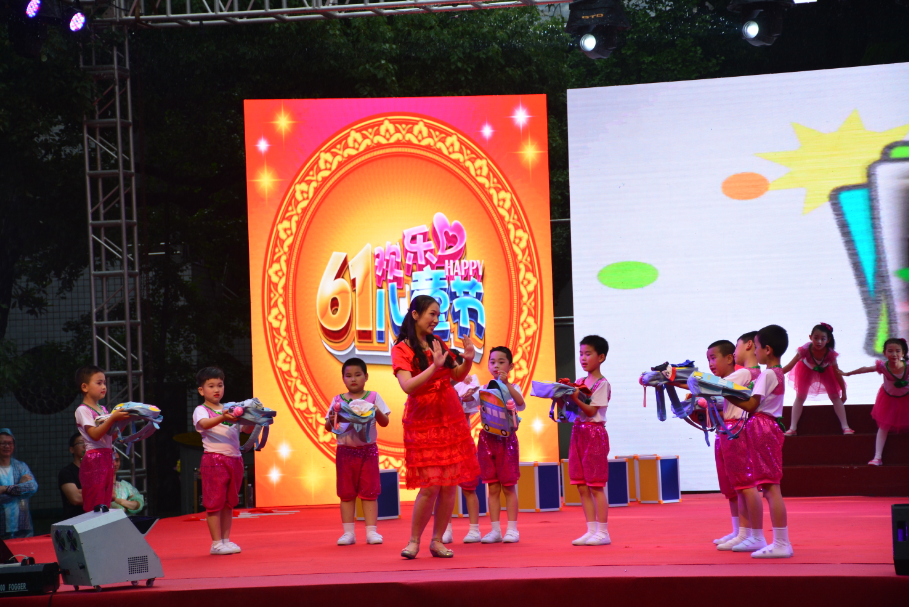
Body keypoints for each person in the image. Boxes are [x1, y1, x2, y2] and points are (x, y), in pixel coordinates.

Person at [392, 295, 480, 559]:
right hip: (423, 420)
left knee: (449, 484)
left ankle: (437, 541)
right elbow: (408, 386)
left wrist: (468, 360)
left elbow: (456, 375)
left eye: (438, 315)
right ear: (415, 314)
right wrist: (433, 368)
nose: (435, 319)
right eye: (431, 314)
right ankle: (414, 541)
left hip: (449, 417)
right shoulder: (401, 349)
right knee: (431, 485)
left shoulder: (437, 342)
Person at [724, 324, 793, 558]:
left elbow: (752, 405)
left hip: (763, 427)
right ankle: (779, 541)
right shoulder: (777, 373)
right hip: (768, 427)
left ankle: (781, 542)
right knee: (770, 487)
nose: (756, 352)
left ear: (767, 350)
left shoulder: (768, 374)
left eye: (758, 347)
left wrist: (725, 392)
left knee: (771, 488)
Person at [324, 358, 391, 546]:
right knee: (346, 493)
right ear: (343, 378)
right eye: (348, 376)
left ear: (366, 377)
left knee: (370, 492)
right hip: (345, 452)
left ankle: (371, 532)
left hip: (368, 452)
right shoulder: (338, 400)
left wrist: (376, 411)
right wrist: (333, 418)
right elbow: (329, 427)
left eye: (357, 375)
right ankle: (348, 533)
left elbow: (385, 422)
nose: (353, 379)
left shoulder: (374, 397)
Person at [193, 366, 254, 555]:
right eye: (211, 386)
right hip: (214, 460)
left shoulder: (231, 409)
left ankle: (226, 541)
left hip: (235, 460)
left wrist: (254, 418)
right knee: (214, 503)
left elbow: (246, 430)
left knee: (229, 503)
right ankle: (216, 543)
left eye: (220, 385)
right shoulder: (201, 410)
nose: (216, 390)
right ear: (201, 390)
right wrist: (223, 416)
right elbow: (204, 424)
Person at [705, 339, 759, 552]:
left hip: (736, 429)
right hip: (727, 430)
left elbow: (710, 385)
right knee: (733, 486)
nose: (710, 363)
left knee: (744, 484)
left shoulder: (744, 373)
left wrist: (677, 377)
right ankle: (740, 531)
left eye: (713, 358)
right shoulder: (741, 375)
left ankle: (749, 533)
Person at [477, 346, 525, 544]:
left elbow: (520, 403)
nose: (496, 365)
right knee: (493, 486)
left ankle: (512, 529)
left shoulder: (513, 387)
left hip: (507, 441)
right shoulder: (484, 388)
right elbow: (470, 404)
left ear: (511, 366)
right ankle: (495, 530)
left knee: (509, 486)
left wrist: (507, 385)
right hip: (487, 440)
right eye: (492, 362)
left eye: (501, 362)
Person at [567, 335, 612, 547]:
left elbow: (592, 411)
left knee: (595, 485)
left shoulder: (602, 384)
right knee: (582, 486)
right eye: (581, 354)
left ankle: (603, 532)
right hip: (578, 432)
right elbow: (572, 411)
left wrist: (575, 398)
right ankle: (591, 530)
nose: (583, 358)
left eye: (588, 354)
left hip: (594, 434)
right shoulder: (579, 382)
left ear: (601, 357)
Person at [842, 338, 909, 465]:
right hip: (889, 400)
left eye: (897, 351)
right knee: (883, 426)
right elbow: (865, 369)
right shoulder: (883, 367)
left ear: (903, 353)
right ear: (884, 353)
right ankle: (877, 457)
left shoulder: (908, 366)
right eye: (890, 351)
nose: (894, 354)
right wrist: (848, 373)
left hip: (907, 399)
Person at [74, 366, 130, 512]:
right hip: (94, 458)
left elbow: (111, 436)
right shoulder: (83, 410)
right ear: (85, 387)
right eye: (99, 383)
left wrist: (124, 422)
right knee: (95, 501)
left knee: (106, 499)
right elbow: (94, 434)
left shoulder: (103, 409)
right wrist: (113, 418)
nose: (104, 387)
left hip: (107, 456)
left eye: (104, 383)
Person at [780, 323, 853, 435]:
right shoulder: (804, 350)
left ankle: (845, 426)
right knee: (800, 396)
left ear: (828, 340)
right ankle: (793, 428)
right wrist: (775, 373)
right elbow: (790, 366)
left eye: (823, 339)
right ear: (810, 337)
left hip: (826, 372)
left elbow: (837, 373)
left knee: (835, 396)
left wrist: (844, 392)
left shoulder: (830, 354)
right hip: (806, 371)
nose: (819, 341)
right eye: (816, 338)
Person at [442, 373, 482, 544]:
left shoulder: (467, 384)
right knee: (444, 489)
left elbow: (471, 404)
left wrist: (465, 394)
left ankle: (474, 529)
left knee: (469, 488)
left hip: (463, 442)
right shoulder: (435, 387)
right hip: (442, 444)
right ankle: (445, 530)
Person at [0, 429, 37, 539]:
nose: (7, 446)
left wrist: (4, 489)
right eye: (3, 443)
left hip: (22, 529)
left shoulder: (21, 466)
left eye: (10, 443)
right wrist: (19, 488)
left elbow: (32, 487)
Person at [59, 433, 86, 519]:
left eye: (87, 442)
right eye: (81, 443)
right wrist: (99, 493)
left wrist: (82, 491)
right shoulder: (66, 472)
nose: (85, 445)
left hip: (96, 520)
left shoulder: (96, 471)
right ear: (72, 449)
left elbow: (111, 495)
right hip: (75, 521)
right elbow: (76, 499)